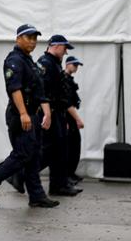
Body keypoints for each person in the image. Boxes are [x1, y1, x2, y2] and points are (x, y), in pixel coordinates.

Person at [0, 23, 57, 209]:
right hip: (21, 115)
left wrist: (46, 112)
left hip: (32, 114)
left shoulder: (29, 61)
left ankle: (37, 196)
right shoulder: (15, 60)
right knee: (22, 154)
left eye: (35, 38)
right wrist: (23, 113)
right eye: (28, 37)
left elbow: (39, 91)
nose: (33, 41)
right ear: (18, 38)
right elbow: (15, 89)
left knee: (34, 156)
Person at [38, 34, 81, 197]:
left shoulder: (54, 63)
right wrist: (48, 114)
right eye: (64, 48)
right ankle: (19, 175)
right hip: (51, 112)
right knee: (50, 151)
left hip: (57, 113)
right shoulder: (46, 63)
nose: (65, 53)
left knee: (59, 150)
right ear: (55, 46)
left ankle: (59, 185)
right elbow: (44, 91)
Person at [63, 55, 84, 185]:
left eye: (77, 66)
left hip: (70, 117)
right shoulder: (64, 79)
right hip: (65, 116)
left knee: (74, 146)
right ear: (67, 64)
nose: (76, 68)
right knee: (69, 147)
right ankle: (66, 175)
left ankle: (70, 173)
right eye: (74, 65)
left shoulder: (69, 80)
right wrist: (78, 119)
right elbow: (67, 103)